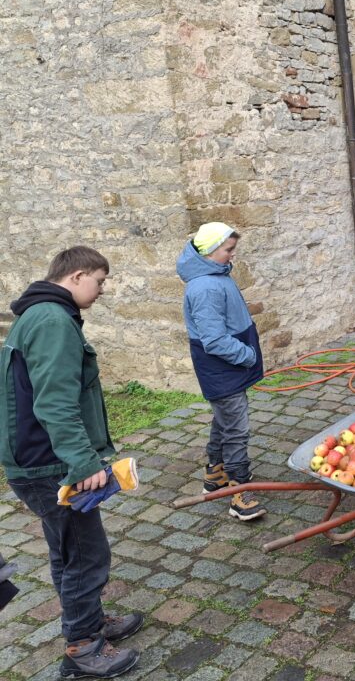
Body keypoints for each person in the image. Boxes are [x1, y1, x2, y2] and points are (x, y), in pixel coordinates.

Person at [0, 246, 142, 678]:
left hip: (37, 459)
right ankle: (83, 647)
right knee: (86, 554)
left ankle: (89, 622)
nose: (102, 290)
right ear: (77, 276)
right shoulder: (52, 321)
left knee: (67, 550)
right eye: (100, 281)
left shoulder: (41, 314)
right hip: (49, 465)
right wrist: (84, 463)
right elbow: (55, 403)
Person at [177, 223, 267, 521]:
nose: (232, 255)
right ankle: (239, 491)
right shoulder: (205, 287)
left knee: (224, 419)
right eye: (228, 249)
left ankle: (215, 472)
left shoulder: (216, 276)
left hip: (229, 368)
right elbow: (214, 340)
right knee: (236, 428)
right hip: (222, 367)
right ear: (210, 251)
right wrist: (247, 355)